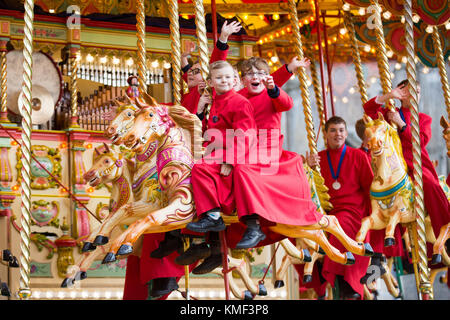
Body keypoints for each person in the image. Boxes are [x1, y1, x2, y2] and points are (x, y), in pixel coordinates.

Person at [226, 56, 322, 249]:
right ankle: (214, 234)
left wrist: (276, 86)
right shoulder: (239, 97)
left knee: (243, 170)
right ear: (243, 79)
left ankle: (253, 224)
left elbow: (286, 104)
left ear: (267, 77)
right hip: (245, 147)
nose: (255, 77)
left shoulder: (272, 93)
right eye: (250, 73)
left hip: (267, 147)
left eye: (260, 73)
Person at [185, 60, 257, 270]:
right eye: (219, 78)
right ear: (211, 82)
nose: (224, 81)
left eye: (227, 77)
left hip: (231, 151)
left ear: (235, 80)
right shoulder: (214, 101)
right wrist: (199, 109)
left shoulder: (240, 102)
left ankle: (213, 215)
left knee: (200, 168)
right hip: (214, 149)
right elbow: (204, 129)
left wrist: (231, 160)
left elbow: (246, 134)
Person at [363, 80, 450, 240]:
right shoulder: (389, 113)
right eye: (411, 92)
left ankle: (444, 229)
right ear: (401, 95)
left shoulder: (423, 118)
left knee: (430, 184)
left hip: (416, 163)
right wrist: (388, 96)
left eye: (418, 91)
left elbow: (422, 141)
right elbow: (368, 110)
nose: (416, 95)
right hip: (392, 166)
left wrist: (401, 124)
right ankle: (380, 247)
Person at [306, 116, 373, 300]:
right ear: (326, 134)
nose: (338, 134)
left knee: (340, 224)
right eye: (333, 131)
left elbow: (370, 188)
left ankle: (346, 282)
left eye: (341, 130)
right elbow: (308, 188)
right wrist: (308, 168)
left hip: (353, 211)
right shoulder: (318, 159)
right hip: (327, 210)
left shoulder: (358, 156)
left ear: (346, 133)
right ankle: (317, 278)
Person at [180, 20, 242, 114]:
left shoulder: (207, 89)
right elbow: (186, 69)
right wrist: (184, 56)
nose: (189, 73)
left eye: (196, 71)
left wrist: (223, 37)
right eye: (191, 71)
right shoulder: (193, 88)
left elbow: (217, 60)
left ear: (209, 79)